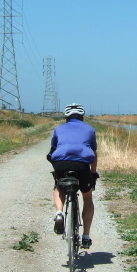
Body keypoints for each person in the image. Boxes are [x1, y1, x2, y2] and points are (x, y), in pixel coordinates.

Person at [48, 103, 98, 248]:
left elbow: (52, 151)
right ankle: (86, 236)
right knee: (87, 197)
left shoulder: (59, 129)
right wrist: (93, 173)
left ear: (66, 117)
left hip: (61, 163)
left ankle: (59, 213)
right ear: (83, 117)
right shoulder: (89, 129)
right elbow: (94, 154)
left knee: (59, 187)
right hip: (81, 165)